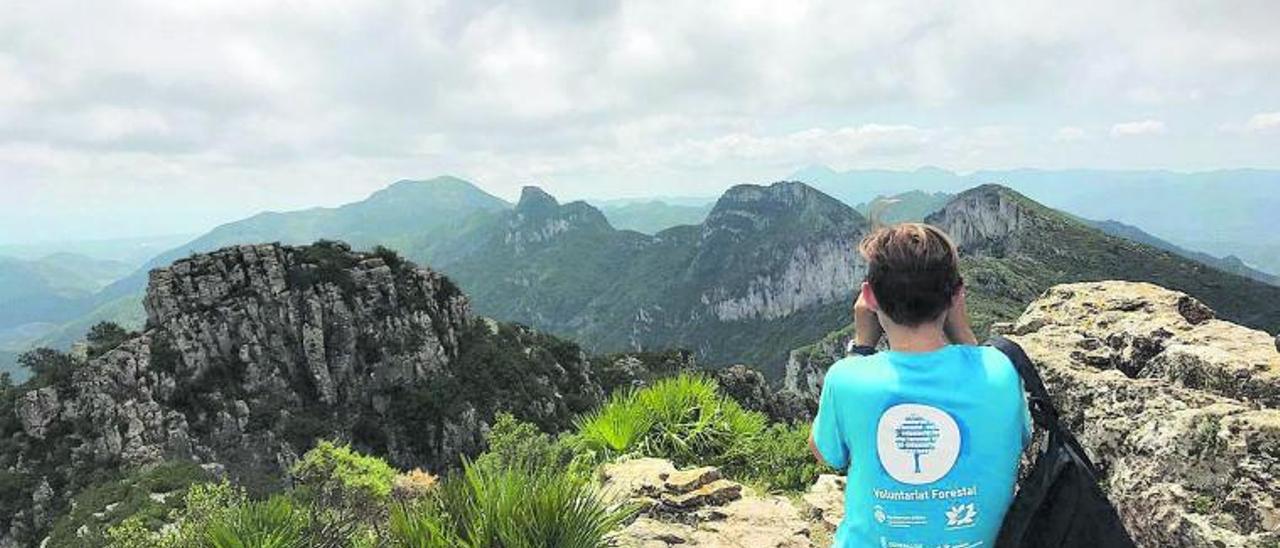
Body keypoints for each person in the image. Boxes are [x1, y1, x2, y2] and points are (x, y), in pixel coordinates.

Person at [809, 223, 1030, 547]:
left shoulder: (847, 378)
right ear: (956, 296)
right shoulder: (1002, 369)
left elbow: (824, 453)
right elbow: (1019, 436)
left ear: (868, 297)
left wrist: (862, 348)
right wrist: (964, 335)